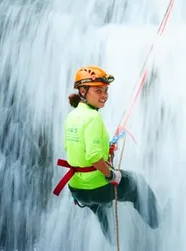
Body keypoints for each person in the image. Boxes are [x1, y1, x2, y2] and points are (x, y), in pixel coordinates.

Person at [52, 65, 159, 243]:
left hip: (77, 189)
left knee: (99, 207)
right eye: (98, 90)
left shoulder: (72, 116)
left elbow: (75, 149)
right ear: (83, 91)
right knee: (137, 184)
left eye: (105, 90)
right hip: (97, 186)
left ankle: (114, 241)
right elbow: (94, 157)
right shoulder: (93, 118)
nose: (104, 95)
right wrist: (111, 175)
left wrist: (105, 149)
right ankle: (158, 223)